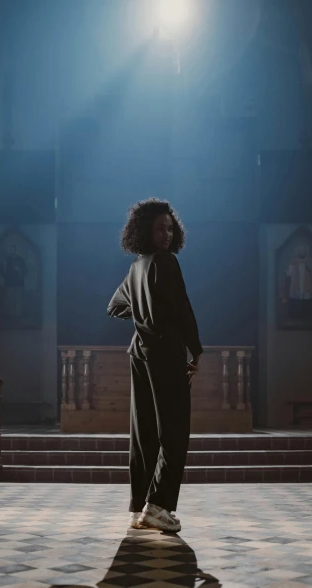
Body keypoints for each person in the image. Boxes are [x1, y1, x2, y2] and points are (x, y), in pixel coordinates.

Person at [107, 198, 203, 533]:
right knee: (174, 432)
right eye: (159, 228)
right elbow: (182, 308)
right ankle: (158, 505)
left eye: (169, 227)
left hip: (140, 352)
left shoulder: (137, 266)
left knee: (144, 432)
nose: (166, 233)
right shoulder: (166, 262)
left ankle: (139, 508)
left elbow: (114, 306)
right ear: (146, 230)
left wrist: (142, 316)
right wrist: (196, 350)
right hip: (165, 353)